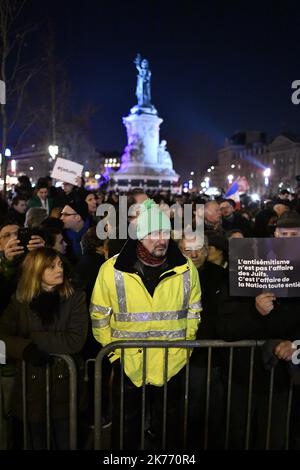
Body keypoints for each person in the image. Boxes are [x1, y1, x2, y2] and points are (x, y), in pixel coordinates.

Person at [90, 199, 201, 449]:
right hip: (128, 363)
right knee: (126, 429)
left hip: (171, 362)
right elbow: (99, 316)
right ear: (139, 236)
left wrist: (185, 348)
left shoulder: (186, 268)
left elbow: (195, 309)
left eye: (163, 232)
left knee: (168, 429)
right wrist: (114, 354)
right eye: (152, 233)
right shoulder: (111, 270)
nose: (160, 239)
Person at [0, 247, 88, 449]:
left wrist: (30, 341)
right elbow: (2, 335)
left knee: (66, 441)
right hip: (30, 389)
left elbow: (75, 340)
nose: (59, 270)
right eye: (51, 266)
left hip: (65, 386)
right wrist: (24, 348)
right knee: (35, 442)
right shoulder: (20, 300)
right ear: (36, 270)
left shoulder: (75, 297)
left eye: (59, 265)